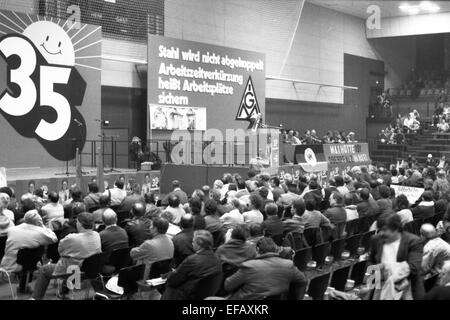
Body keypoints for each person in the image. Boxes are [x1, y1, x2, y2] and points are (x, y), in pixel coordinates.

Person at [32, 212, 102, 300]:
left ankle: (36, 298)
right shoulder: (97, 235)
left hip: (74, 271)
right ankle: (63, 291)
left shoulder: (72, 238)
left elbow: (60, 251)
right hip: (91, 271)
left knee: (44, 269)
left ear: (79, 224)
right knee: (72, 261)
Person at [224, 237, 307, 300]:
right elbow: (303, 280)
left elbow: (228, 286)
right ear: (276, 249)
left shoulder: (249, 266)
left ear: (257, 250)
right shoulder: (289, 264)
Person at [369, 213, 425, 300]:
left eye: (384, 230)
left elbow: (414, 268)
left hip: (406, 288)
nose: (381, 233)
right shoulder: (376, 239)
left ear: (396, 229)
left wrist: (385, 266)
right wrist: (371, 285)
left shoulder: (413, 241)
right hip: (380, 287)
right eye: (379, 229)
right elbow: (371, 262)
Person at [162, 230, 222, 300]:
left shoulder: (192, 260)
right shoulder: (217, 259)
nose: (192, 243)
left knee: (168, 285)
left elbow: (173, 281)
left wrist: (171, 275)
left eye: (193, 241)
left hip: (185, 295)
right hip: (202, 295)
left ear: (199, 244)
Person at [0, 210, 57, 277]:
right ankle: (26, 282)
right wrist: (42, 226)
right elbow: (54, 239)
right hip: (27, 265)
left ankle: (23, 284)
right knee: (38, 247)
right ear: (38, 221)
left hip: (7, 266)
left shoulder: (11, 230)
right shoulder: (40, 232)